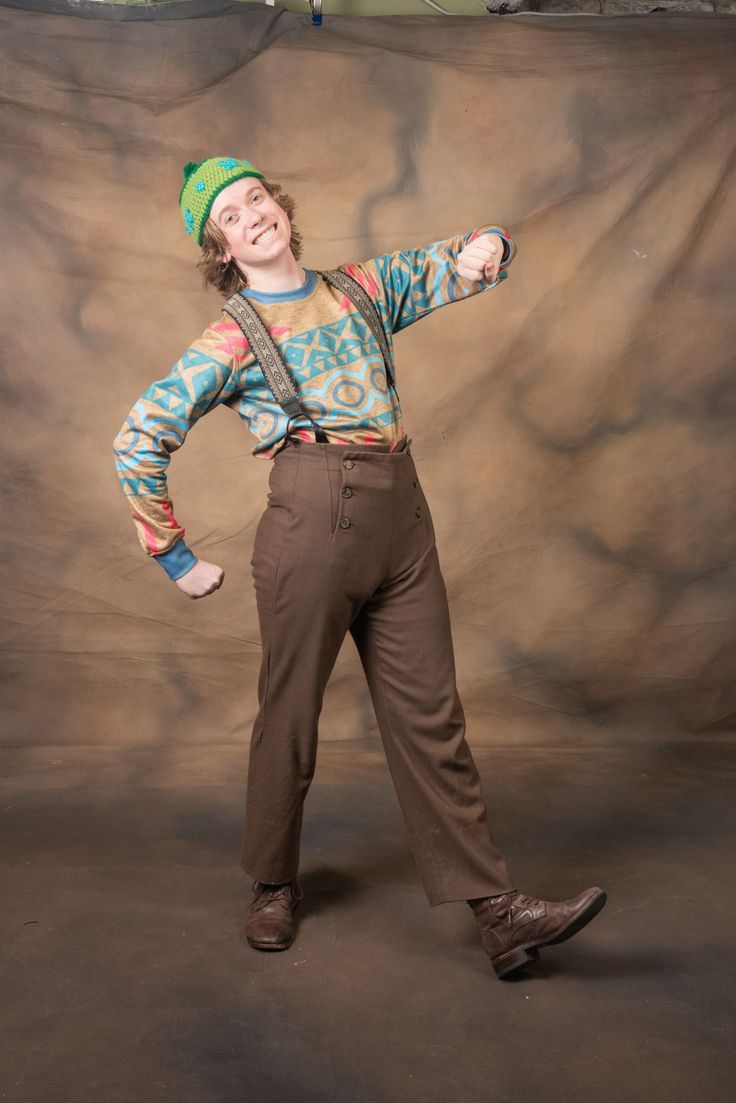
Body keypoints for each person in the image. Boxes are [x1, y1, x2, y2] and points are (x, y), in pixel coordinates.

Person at [113, 156, 606, 979]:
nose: (252, 216)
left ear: (280, 206)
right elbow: (139, 436)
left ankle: (498, 912)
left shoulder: (361, 287)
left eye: (256, 198)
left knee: (431, 718)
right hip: (312, 520)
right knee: (291, 713)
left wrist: (488, 245)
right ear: (221, 248)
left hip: (402, 519)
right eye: (230, 215)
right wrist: (173, 554)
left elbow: (455, 259)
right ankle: (273, 881)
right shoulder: (230, 335)